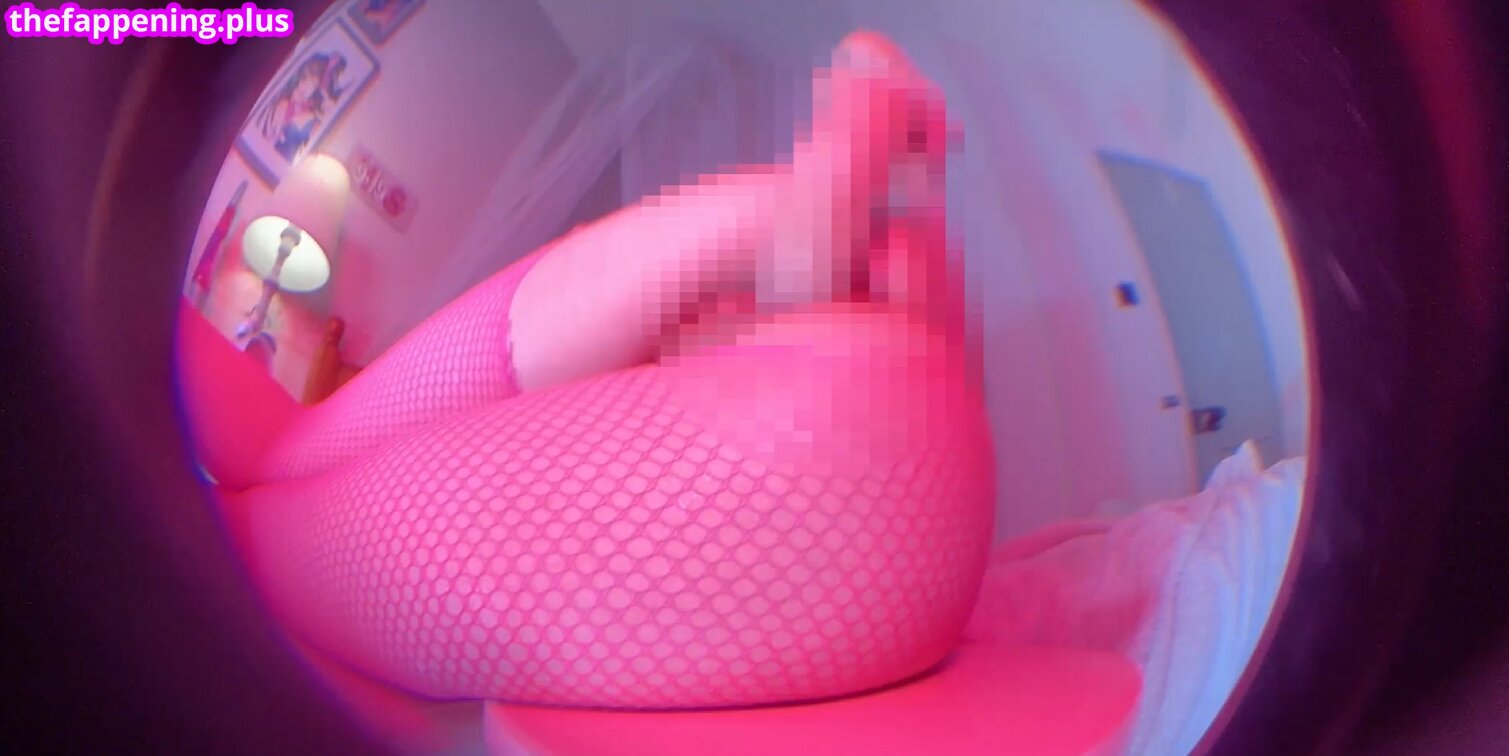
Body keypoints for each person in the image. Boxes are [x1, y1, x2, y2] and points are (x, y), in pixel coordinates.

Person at [212, 32, 995, 710]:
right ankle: (806, 212)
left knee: (253, 512)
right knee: (274, 477)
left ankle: (808, 220)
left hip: (864, 474)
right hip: (876, 461)